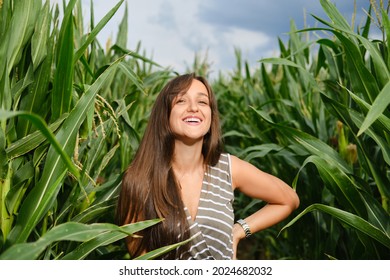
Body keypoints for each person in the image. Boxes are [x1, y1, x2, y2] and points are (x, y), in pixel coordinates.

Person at [116, 73, 299, 260]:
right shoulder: (139, 180)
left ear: (211, 115)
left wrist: (238, 231)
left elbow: (288, 199)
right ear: (165, 114)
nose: (194, 108)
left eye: (203, 102)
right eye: (181, 101)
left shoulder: (228, 168)